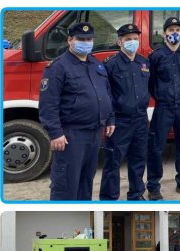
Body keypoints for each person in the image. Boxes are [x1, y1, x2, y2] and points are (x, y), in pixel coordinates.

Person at [38, 22, 115, 201]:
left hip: (95, 133)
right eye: (81, 39)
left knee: (85, 182)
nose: (86, 42)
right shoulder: (57, 67)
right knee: (66, 184)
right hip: (71, 136)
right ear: (70, 40)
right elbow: (49, 103)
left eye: (89, 39)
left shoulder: (96, 64)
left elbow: (106, 94)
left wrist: (110, 118)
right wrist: (55, 133)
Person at [98, 23, 150, 201]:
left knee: (138, 160)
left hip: (141, 120)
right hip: (120, 121)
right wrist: (109, 119)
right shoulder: (110, 64)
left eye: (135, 39)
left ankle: (136, 195)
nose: (133, 42)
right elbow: (105, 95)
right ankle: (109, 198)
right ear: (119, 42)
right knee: (113, 161)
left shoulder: (144, 62)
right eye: (128, 39)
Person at [147, 16, 180, 200]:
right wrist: (161, 96)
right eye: (171, 30)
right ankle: (153, 186)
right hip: (164, 107)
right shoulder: (156, 56)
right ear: (164, 33)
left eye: (177, 30)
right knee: (156, 147)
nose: (174, 33)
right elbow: (151, 83)